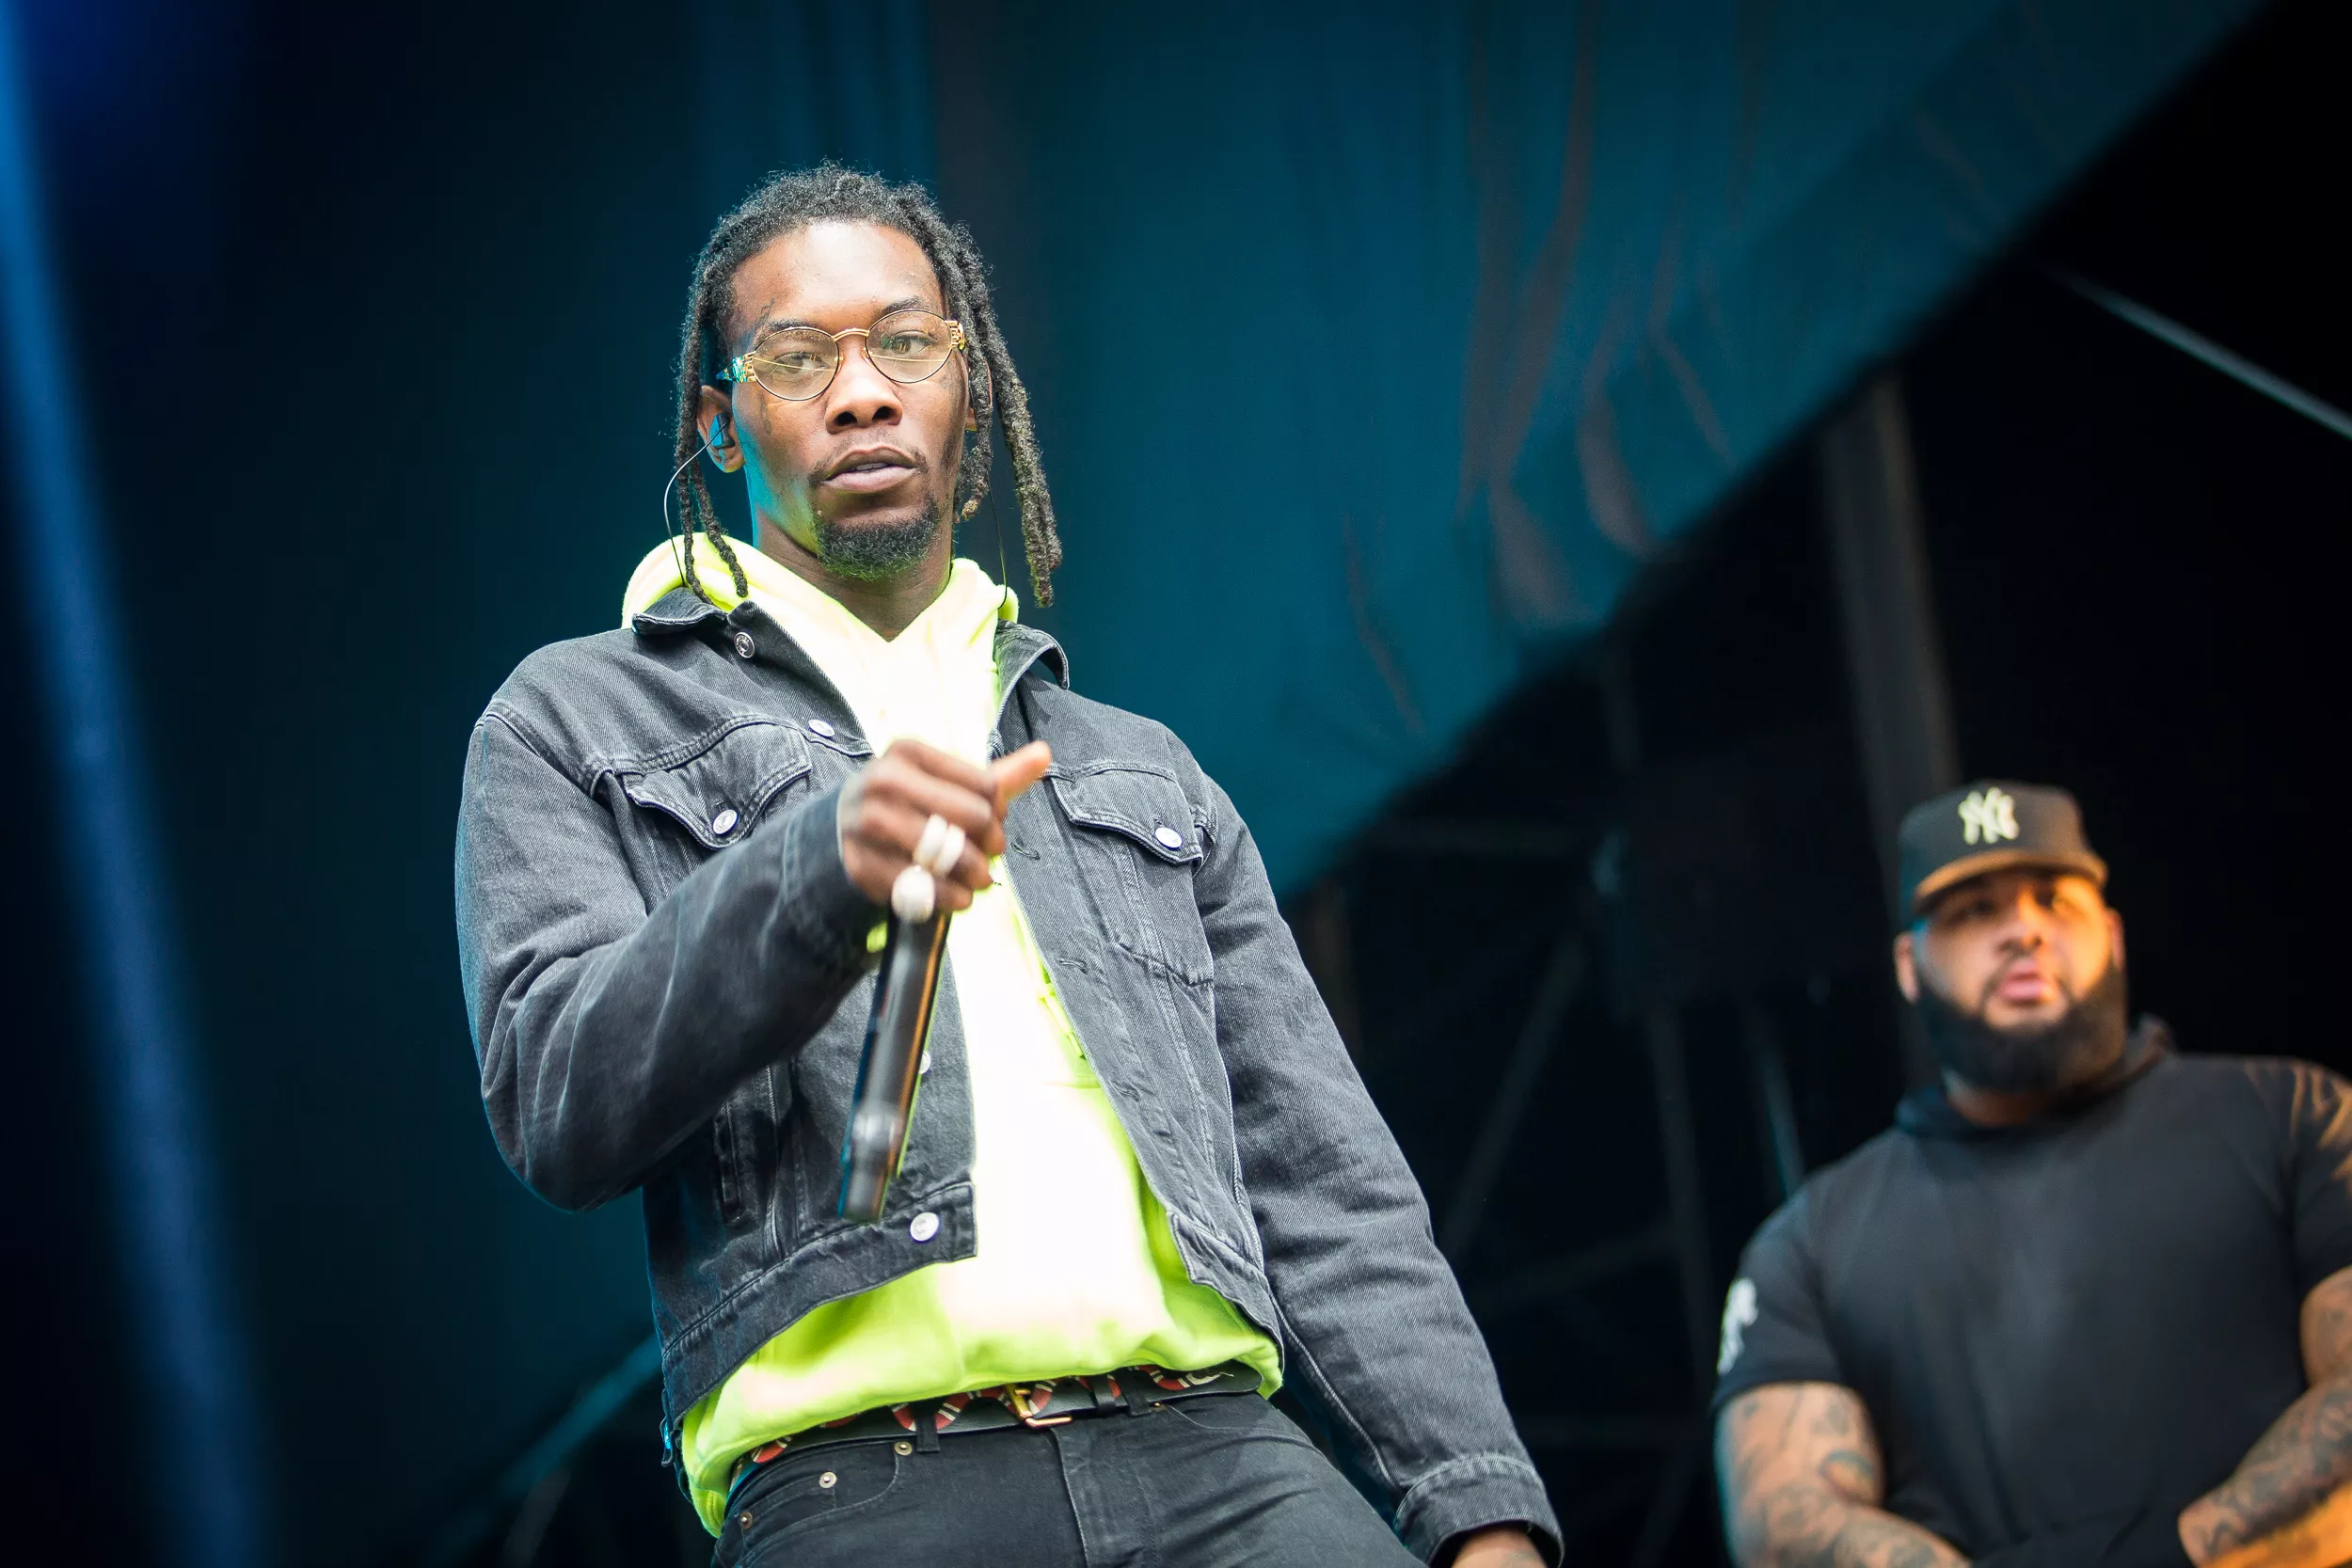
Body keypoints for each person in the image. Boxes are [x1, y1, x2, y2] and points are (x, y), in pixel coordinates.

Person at [453, 165, 1556, 1568]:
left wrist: (1479, 1507)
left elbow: (1324, 1174)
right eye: (798, 358)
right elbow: (556, 1091)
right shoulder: (573, 719)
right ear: (720, 424)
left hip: (1221, 1452)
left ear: (967, 388)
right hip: (864, 1479)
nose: (862, 393)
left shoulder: (1138, 765)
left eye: (905, 342)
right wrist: (808, 878)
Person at [1710, 781, 2352, 1567]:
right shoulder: (1811, 1241)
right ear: (1909, 964)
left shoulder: (2298, 1117)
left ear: (2112, 934)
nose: (2022, 930)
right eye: (1974, 910)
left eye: (2053, 900)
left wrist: (2178, 1553)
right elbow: (1781, 1525)